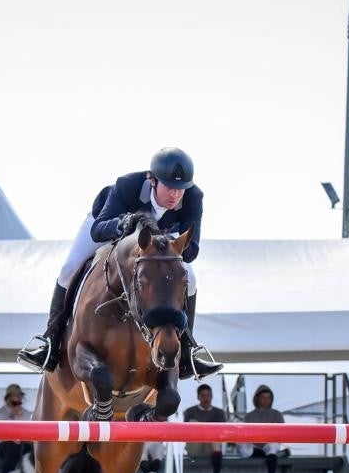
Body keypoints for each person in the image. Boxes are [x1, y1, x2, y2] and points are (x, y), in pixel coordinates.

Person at [17, 147, 223, 380]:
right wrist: (123, 223)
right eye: (169, 187)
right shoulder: (127, 185)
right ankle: (50, 342)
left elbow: (192, 250)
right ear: (152, 180)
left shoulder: (194, 197)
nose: (175, 195)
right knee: (68, 269)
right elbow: (98, 229)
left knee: (191, 280)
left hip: (161, 241)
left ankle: (188, 351)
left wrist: (165, 242)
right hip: (110, 226)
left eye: (180, 189)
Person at [183, 383, 227, 473]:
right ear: (198, 397)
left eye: (208, 395)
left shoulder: (219, 412)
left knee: (215, 441)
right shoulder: (190, 411)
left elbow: (222, 432)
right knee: (194, 424)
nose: (206, 398)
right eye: (203, 395)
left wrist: (201, 427)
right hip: (195, 446)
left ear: (211, 396)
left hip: (211, 447)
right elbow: (186, 431)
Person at [241, 384, 284, 473]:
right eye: (263, 397)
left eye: (269, 397)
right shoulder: (249, 416)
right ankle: (275, 454)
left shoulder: (277, 414)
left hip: (269, 445)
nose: (266, 400)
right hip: (254, 446)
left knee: (272, 446)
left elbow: (282, 433)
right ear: (257, 398)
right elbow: (244, 434)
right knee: (243, 448)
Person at [0, 384, 33, 473]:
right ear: (8, 398)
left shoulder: (26, 414)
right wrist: (12, 415)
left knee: (31, 450)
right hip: (4, 445)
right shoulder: (1, 413)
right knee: (13, 447)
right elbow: (1, 430)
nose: (18, 398)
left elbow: (28, 431)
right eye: (15, 396)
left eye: (19, 395)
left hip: (23, 444)